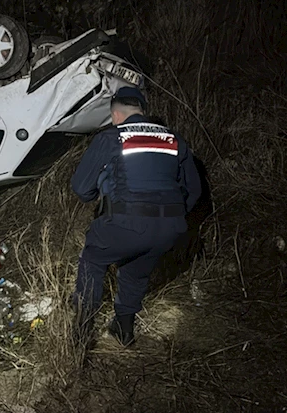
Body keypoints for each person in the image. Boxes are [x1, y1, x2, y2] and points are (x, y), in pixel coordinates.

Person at [70, 86, 202, 348]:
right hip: (170, 228)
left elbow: (81, 187)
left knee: (93, 259)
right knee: (135, 269)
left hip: (126, 222)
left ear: (116, 115)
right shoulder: (175, 140)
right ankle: (124, 328)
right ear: (143, 111)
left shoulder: (112, 138)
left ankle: (81, 333)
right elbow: (194, 190)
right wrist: (169, 217)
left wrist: (99, 196)